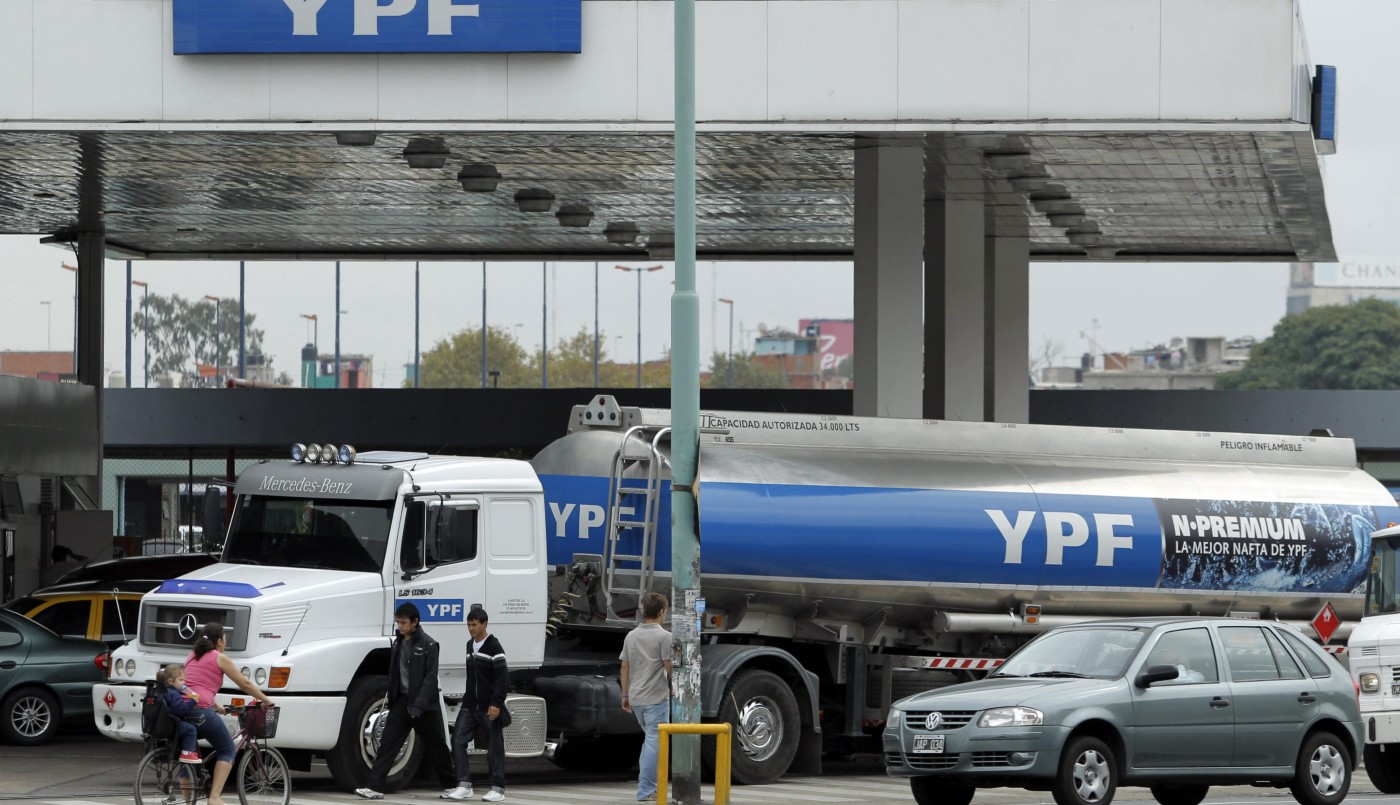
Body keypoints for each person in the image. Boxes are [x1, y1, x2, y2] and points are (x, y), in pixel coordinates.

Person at [356, 602, 458, 800]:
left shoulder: (429, 645)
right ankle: (374, 787)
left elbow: (430, 679)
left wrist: (418, 706)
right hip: (402, 702)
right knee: (388, 743)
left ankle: (451, 785)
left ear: (415, 622)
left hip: (424, 706)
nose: (400, 626)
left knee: (436, 745)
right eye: (398, 622)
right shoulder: (398, 642)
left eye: (403, 622)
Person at [184, 623, 275, 805]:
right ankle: (215, 797)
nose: (225, 642)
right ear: (219, 641)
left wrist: (216, 704)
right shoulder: (219, 657)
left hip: (182, 709)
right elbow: (245, 684)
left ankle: (188, 802)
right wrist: (265, 700)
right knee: (227, 749)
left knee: (186, 756)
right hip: (200, 711)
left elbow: (192, 685)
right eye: (225, 639)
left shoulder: (192, 656)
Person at [444, 607, 508, 803]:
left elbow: (501, 678)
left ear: (484, 624)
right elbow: (472, 676)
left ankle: (498, 788)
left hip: (489, 706)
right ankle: (464, 785)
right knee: (457, 741)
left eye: (474, 625)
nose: (471, 629)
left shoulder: (494, 647)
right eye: (468, 625)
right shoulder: (469, 645)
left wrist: (496, 703)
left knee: (494, 747)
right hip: (470, 705)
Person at [619, 592, 672, 802]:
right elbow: (669, 668)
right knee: (654, 743)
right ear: (661, 612)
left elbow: (625, 666)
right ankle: (646, 790)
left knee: (648, 742)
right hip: (656, 698)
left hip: (636, 698)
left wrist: (625, 694)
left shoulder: (631, 635)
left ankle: (648, 786)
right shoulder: (664, 636)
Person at [156, 663, 204, 764]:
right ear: (170, 681)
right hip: (172, 725)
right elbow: (180, 710)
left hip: (160, 724)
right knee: (191, 729)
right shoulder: (174, 694)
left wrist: (184, 691)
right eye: (181, 680)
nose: (184, 683)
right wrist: (193, 701)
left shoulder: (163, 690)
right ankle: (187, 753)